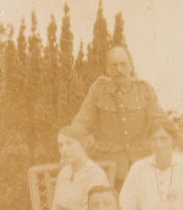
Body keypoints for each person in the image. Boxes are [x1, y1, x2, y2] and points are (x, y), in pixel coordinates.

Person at [71, 45, 170, 188]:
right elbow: (81, 123)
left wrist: (164, 149)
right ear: (107, 69)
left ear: (131, 67)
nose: (119, 70)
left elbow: (160, 122)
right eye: (114, 66)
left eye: (123, 65)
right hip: (110, 171)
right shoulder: (98, 90)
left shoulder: (144, 90)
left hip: (143, 167)